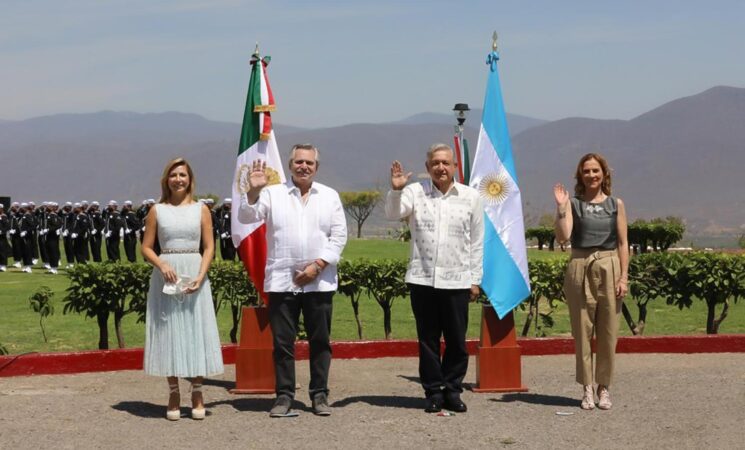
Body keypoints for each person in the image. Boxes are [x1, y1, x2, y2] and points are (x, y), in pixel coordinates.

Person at [238, 143, 347, 417]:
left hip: (319, 282)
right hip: (282, 281)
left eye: (309, 163)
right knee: (283, 344)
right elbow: (246, 216)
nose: (304, 167)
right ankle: (284, 396)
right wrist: (252, 190)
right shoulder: (272, 194)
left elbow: (339, 237)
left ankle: (319, 395)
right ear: (290, 166)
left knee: (320, 341)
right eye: (299, 162)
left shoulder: (330, 196)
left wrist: (318, 265)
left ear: (316, 167)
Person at [384, 143, 483, 414]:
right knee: (428, 341)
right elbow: (393, 214)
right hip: (423, 278)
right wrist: (396, 189)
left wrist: (474, 279)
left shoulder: (470, 197)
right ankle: (433, 392)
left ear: (454, 167)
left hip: (457, 280)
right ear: (427, 168)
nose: (441, 167)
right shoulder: (415, 192)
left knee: (457, 341)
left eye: (446, 163)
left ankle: (452, 391)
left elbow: (476, 241)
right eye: (435, 163)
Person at [141, 157, 223, 421]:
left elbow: (209, 246)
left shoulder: (202, 209)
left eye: (183, 175)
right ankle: (174, 392)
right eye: (174, 175)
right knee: (170, 331)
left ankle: (197, 392)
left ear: (190, 180)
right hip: (167, 276)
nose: (178, 179)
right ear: (167, 179)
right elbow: (146, 247)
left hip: (193, 272)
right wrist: (161, 263)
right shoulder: (157, 210)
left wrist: (201, 275)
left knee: (194, 330)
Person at [553, 152, 629, 411]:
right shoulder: (574, 204)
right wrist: (562, 209)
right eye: (586, 171)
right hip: (580, 265)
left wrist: (623, 277)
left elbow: (622, 242)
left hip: (609, 265)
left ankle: (603, 387)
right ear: (580, 175)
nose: (591, 175)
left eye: (596, 170)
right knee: (582, 331)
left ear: (604, 174)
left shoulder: (616, 204)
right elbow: (563, 237)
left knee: (608, 332)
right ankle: (586, 387)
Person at [0, 204, 9, 272]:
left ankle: (3, 265)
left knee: (2, 251)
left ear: (2, 209)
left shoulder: (4, 217)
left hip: (2, 237)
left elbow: (6, 227)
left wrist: (2, 231)